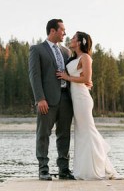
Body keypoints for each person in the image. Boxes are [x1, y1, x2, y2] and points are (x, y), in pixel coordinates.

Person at [57, 31, 118, 180]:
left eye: (73, 38)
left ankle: (97, 166)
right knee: (82, 133)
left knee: (88, 131)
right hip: (75, 99)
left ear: (79, 42)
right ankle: (85, 168)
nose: (70, 39)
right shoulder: (74, 58)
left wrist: (67, 77)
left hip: (83, 99)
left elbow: (86, 78)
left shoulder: (86, 57)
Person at [28, 19, 75, 181]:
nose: (65, 33)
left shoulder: (66, 52)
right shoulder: (37, 49)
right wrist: (39, 98)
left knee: (64, 135)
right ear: (53, 31)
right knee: (43, 134)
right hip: (46, 100)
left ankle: (64, 169)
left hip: (66, 99)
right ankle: (43, 169)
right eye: (62, 29)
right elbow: (34, 76)